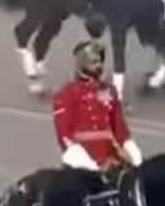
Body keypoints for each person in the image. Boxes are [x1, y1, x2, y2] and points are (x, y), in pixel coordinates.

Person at [52, 40, 142, 171]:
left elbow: (119, 127)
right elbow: (65, 136)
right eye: (93, 62)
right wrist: (91, 167)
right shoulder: (66, 94)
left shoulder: (109, 90)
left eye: (100, 61)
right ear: (81, 64)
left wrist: (132, 152)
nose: (99, 65)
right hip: (82, 159)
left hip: (111, 155)